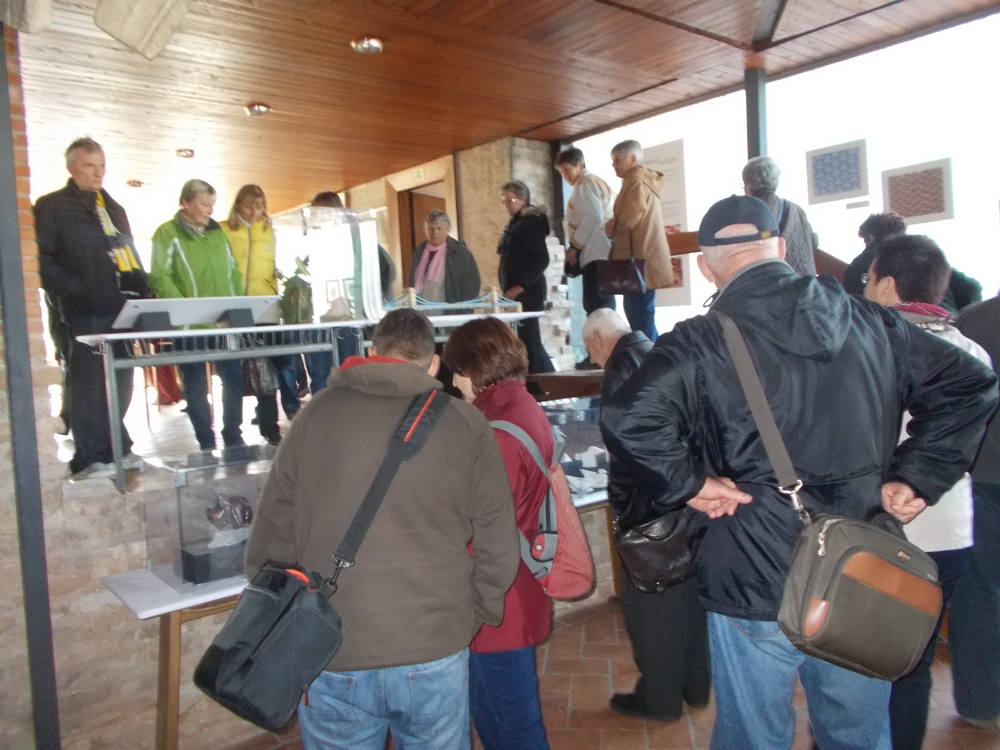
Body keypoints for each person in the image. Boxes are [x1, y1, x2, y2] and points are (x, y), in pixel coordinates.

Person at [600, 194, 998, 750]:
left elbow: (627, 417)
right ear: (783, 248)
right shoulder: (869, 319)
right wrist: (917, 474)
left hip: (751, 562)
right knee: (858, 735)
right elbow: (970, 385)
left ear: (707, 266)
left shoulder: (698, 338)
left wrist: (692, 484)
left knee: (752, 737)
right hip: (857, 564)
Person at [245, 309, 520, 750]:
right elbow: (498, 539)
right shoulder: (467, 423)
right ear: (434, 363)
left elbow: (269, 538)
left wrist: (283, 619)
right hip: (433, 644)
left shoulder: (315, 415)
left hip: (331, 648)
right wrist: (474, 614)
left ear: (372, 352)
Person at [862, 234, 990, 749]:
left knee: (862, 655)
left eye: (868, 278)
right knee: (914, 658)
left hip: (884, 527)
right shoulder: (970, 349)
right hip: (951, 531)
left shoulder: (872, 344)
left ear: (887, 285)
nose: (864, 289)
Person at [583, 309, 710, 722]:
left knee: (650, 612)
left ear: (599, 339)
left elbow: (629, 451)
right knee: (687, 602)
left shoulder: (620, 367)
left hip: (649, 510)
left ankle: (659, 700)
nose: (592, 358)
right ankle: (696, 687)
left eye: (590, 349)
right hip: (681, 500)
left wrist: (624, 508)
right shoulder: (654, 351)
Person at [443, 316, 552, 750]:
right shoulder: (518, 406)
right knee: (499, 712)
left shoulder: (496, 429)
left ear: (476, 367)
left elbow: (483, 523)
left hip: (497, 600)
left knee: (510, 720)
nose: (454, 382)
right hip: (513, 586)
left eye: (457, 370)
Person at [36, 137, 149, 479]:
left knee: (121, 380)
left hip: (121, 308)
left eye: (102, 166)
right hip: (84, 310)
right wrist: (76, 289)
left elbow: (129, 255)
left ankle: (117, 447)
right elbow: (43, 260)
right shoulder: (52, 207)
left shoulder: (114, 209)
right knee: (90, 385)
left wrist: (143, 292)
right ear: (72, 168)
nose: (98, 172)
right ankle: (90, 457)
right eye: (90, 166)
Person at [148, 179, 246, 451]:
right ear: (185, 202)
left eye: (212, 204)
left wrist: (236, 304)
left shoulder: (218, 233)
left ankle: (233, 435)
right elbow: (159, 275)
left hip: (223, 323)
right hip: (189, 326)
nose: (210, 210)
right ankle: (205, 440)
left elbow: (233, 271)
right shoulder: (167, 233)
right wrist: (183, 309)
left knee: (233, 378)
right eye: (204, 204)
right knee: (195, 383)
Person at [954, 296, 1000, 732]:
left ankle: (979, 702)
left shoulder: (974, 320)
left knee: (981, 592)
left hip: (984, 471)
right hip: (985, 474)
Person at [220, 184, 283, 446]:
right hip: (231, 310)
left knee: (265, 372)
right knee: (232, 373)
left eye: (259, 207)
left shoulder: (271, 232)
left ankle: (270, 427)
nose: (254, 212)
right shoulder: (223, 230)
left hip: (266, 309)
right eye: (249, 207)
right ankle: (231, 431)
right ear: (238, 205)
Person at [606, 140, 674, 341]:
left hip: (639, 259)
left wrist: (608, 225)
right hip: (645, 257)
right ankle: (653, 353)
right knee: (642, 312)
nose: (614, 164)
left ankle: (651, 355)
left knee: (639, 315)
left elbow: (628, 218)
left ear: (633, 159)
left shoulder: (635, 180)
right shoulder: (643, 179)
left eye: (618, 159)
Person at [557, 148, 616, 370]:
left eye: (567, 170)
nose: (566, 176)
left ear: (580, 165)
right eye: (562, 172)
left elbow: (593, 217)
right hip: (600, 252)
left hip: (595, 252)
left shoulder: (585, 185)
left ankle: (601, 355)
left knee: (596, 306)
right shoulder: (593, 182)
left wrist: (574, 247)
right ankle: (604, 354)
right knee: (601, 305)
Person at [497, 180, 554, 374]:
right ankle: (546, 377)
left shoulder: (530, 222)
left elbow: (541, 259)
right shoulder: (517, 221)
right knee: (525, 339)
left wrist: (520, 285)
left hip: (528, 293)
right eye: (504, 201)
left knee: (529, 340)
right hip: (518, 293)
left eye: (510, 200)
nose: (507, 205)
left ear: (524, 199)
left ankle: (540, 379)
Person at [742, 155, 817, 276]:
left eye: (744, 184)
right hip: (805, 282)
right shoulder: (796, 209)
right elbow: (814, 241)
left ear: (749, 185)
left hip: (776, 282)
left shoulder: (750, 212)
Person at [408, 209, 481, 303]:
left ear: (447, 229)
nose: (434, 232)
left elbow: (472, 284)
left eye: (439, 228)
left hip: (450, 309)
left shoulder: (460, 253)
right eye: (430, 228)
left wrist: (463, 308)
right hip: (421, 309)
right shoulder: (419, 252)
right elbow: (411, 282)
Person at [842, 212, 907, 295]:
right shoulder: (916, 257)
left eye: (865, 241)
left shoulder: (862, 262)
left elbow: (852, 294)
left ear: (870, 237)